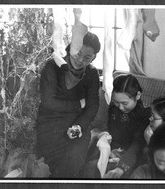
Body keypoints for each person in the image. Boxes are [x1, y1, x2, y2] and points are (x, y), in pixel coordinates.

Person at [36, 31, 101, 178]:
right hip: (51, 125)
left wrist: (79, 126)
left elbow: (92, 107)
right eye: (78, 53)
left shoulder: (92, 74)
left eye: (87, 57)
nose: (80, 60)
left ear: (94, 57)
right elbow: (48, 102)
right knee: (52, 165)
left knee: (73, 159)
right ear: (71, 48)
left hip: (77, 125)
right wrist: (78, 104)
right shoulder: (52, 66)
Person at [81, 74, 151, 178]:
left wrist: (121, 167)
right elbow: (109, 128)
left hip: (133, 155)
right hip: (113, 149)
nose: (120, 107)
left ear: (138, 95)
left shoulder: (145, 114)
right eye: (116, 102)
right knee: (88, 166)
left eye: (125, 103)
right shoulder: (114, 108)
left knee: (96, 169)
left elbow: (137, 145)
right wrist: (109, 144)